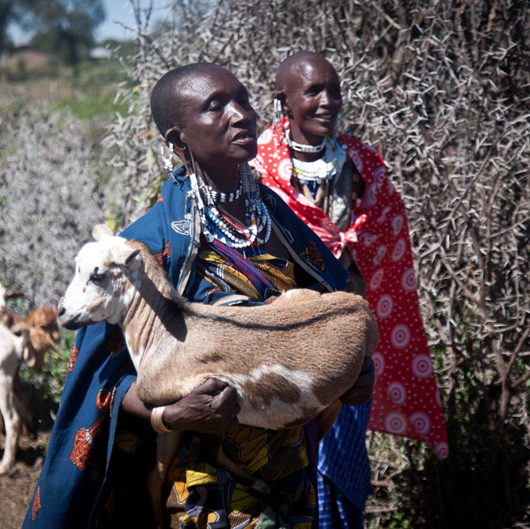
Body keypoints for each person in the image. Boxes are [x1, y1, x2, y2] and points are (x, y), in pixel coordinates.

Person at [22, 62, 375, 528]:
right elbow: (102, 381)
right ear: (177, 140)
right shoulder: (147, 245)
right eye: (215, 107)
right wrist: (171, 413)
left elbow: (331, 309)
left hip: (290, 462)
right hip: (201, 478)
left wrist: (357, 370)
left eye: (243, 101)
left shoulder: (278, 219)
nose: (241, 115)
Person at [252, 52, 450, 528]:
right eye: (313, 92)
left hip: (349, 339)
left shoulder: (362, 162)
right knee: (287, 460)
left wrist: (346, 249)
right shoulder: (256, 168)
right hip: (284, 341)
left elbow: (386, 233)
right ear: (284, 100)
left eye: (334, 90)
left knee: (342, 459)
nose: (328, 102)